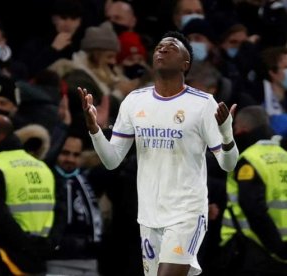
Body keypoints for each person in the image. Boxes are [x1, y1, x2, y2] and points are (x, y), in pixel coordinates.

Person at [78, 31, 239, 276]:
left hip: (187, 213)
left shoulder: (203, 103)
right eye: (159, 46)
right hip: (149, 215)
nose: (162, 49)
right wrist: (95, 131)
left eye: (172, 47)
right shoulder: (134, 101)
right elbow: (112, 161)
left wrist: (226, 135)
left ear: (186, 64)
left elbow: (228, 164)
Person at [0, 115, 56, 275]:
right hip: (35, 258)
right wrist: (42, 246)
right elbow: (57, 212)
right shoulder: (43, 168)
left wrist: (23, 245)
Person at [220, 105, 287, 275]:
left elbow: (252, 207)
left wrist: (276, 248)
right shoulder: (283, 154)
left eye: (235, 128)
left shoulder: (249, 159)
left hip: (253, 248)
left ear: (242, 128)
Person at [47, 134, 103, 275]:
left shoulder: (85, 179)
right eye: (65, 153)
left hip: (89, 260)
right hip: (56, 260)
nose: (70, 159)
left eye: (76, 155)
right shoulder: (46, 178)